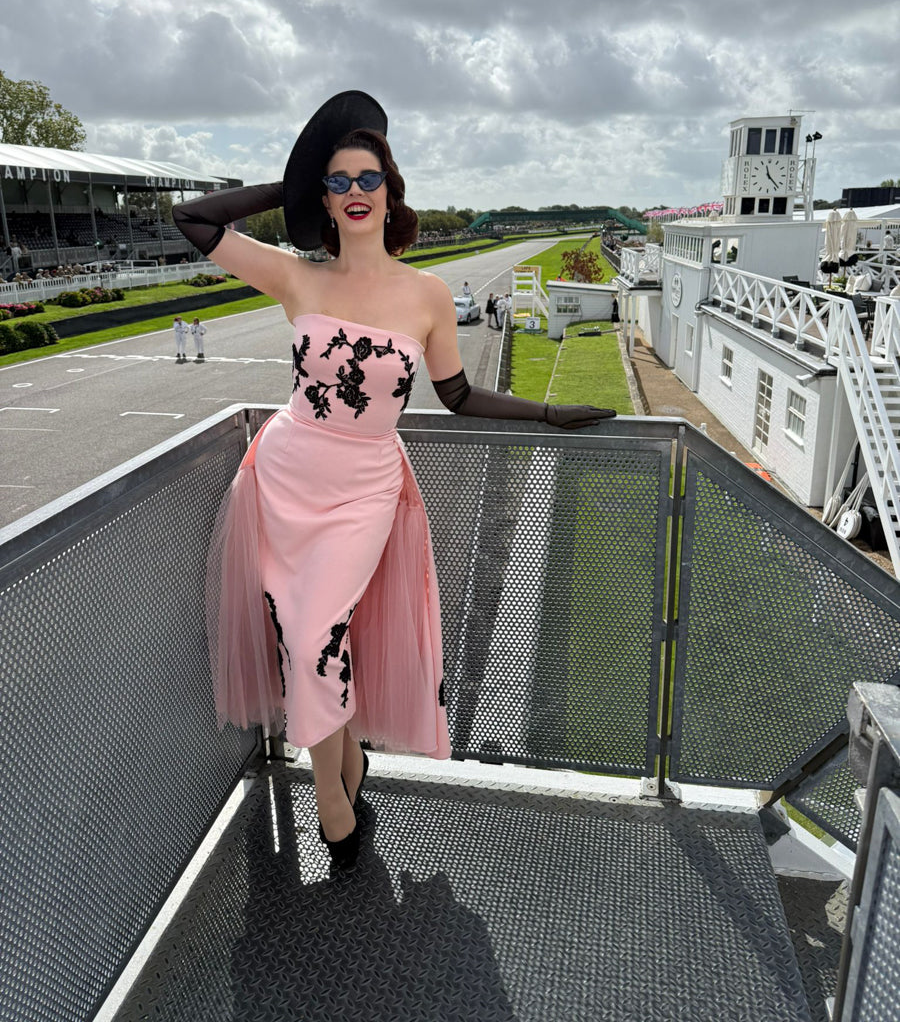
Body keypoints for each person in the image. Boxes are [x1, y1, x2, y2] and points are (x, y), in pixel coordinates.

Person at [172, 90, 616, 871]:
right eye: (338, 181)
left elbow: (458, 396)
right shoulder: (298, 278)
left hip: (364, 490)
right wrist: (295, 180)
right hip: (282, 476)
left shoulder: (427, 295)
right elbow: (195, 220)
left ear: (390, 191)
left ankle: (331, 802)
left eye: (367, 179)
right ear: (324, 197)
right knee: (310, 642)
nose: (354, 192)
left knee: (315, 635)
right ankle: (342, 779)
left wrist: (549, 415)